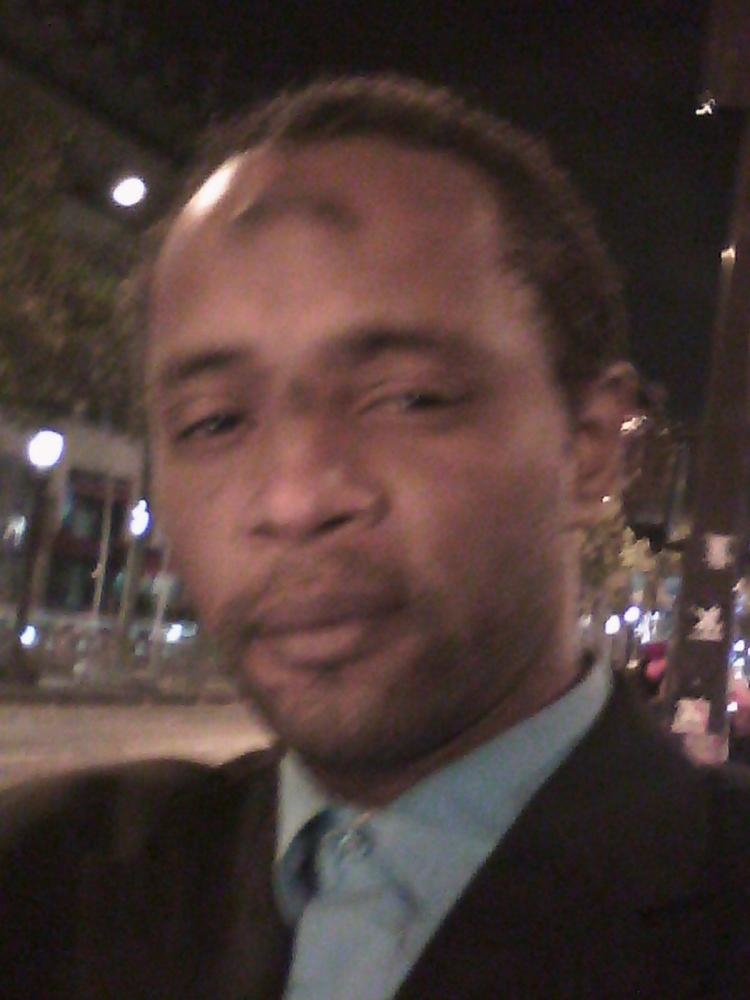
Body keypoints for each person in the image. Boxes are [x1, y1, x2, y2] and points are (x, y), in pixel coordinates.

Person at [2, 75, 750, 1000]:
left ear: (591, 449)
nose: (293, 498)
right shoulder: (42, 884)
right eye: (213, 422)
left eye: (409, 399)